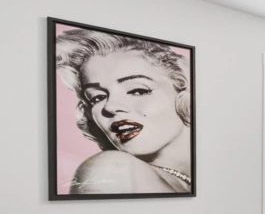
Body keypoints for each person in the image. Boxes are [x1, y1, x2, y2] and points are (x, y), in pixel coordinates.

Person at [55, 28, 192, 194]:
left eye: (137, 90)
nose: (110, 107)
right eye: (97, 98)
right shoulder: (113, 169)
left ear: (183, 91)